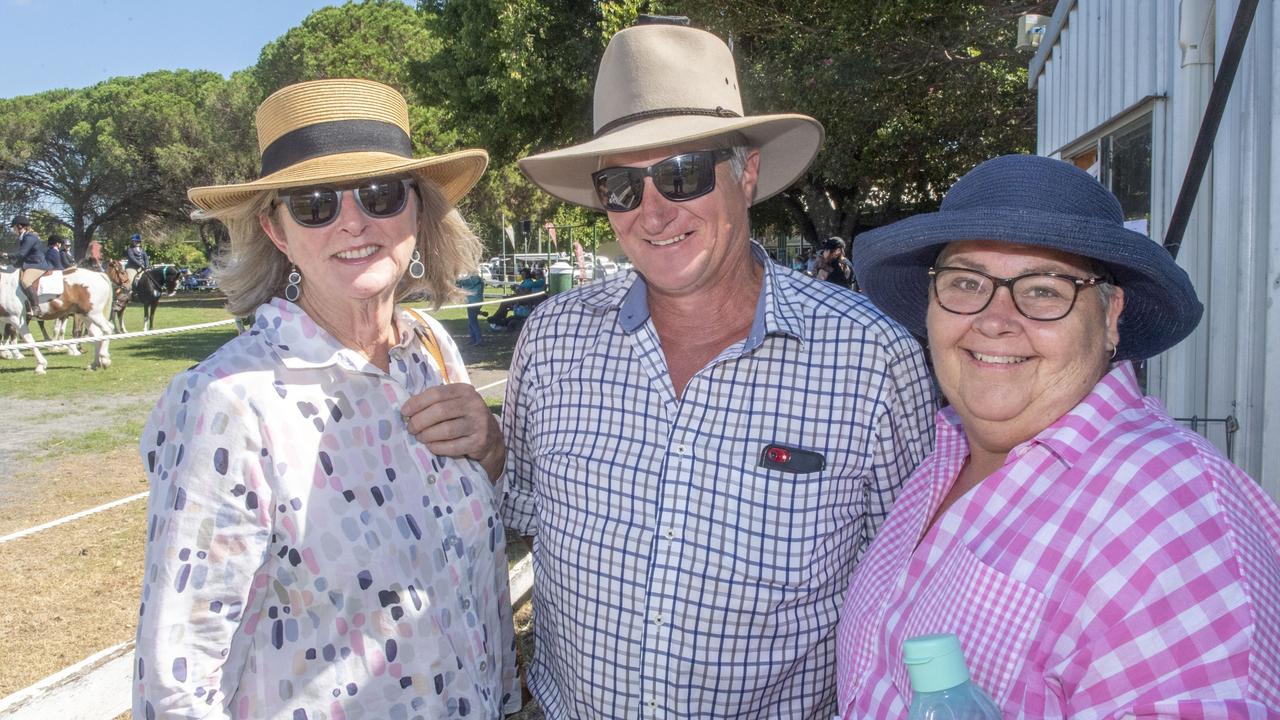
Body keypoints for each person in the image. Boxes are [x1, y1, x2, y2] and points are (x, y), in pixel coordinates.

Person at [499, 18, 936, 718]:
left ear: (747, 171)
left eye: (682, 173)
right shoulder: (551, 341)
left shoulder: (872, 361)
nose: (653, 210)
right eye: (621, 186)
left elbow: (915, 587)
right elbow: (519, 505)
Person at [836, 154, 1280, 717]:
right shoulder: (946, 451)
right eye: (966, 282)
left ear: (1111, 313)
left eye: (1045, 289)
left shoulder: (1170, 512)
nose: (995, 319)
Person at [133, 79, 519, 719]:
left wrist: (492, 451)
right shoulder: (226, 404)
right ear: (276, 231)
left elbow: (471, 577)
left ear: (417, 214)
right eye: (313, 202)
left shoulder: (432, 350)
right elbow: (177, 682)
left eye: (380, 194)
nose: (353, 221)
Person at [10, 215, 49, 300]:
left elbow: (21, 254)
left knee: (25, 281)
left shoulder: (29, 238)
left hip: (37, 265)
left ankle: (36, 307)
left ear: (19, 226)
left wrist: (7, 255)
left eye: (14, 227)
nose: (13, 230)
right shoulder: (24, 237)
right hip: (31, 264)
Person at [457, 269, 485, 345]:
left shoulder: (472, 280)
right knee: (471, 321)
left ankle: (478, 340)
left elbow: (461, 283)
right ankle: (473, 339)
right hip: (476, 302)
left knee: (472, 322)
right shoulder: (478, 280)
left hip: (473, 302)